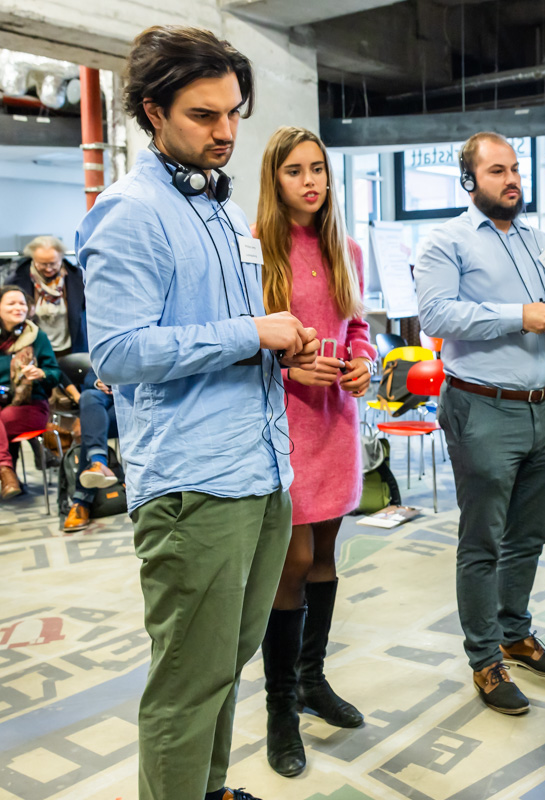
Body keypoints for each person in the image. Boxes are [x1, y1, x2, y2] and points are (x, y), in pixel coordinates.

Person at [76, 26, 319, 800]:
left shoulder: (216, 210)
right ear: (153, 112)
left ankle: (208, 792)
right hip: (194, 483)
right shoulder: (129, 212)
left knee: (225, 664)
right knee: (187, 685)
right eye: (202, 116)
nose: (225, 133)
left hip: (260, 467)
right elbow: (115, 354)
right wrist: (251, 331)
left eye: (233, 113)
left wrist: (282, 350)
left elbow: (214, 335)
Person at [414, 131, 545, 716]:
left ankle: (516, 631)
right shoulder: (447, 241)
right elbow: (436, 314)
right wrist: (519, 316)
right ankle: (485, 658)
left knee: (530, 534)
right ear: (470, 180)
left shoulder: (540, 242)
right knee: (483, 539)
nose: (511, 179)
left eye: (515, 169)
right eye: (496, 171)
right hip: (482, 405)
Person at [254, 126, 377, 777]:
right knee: (292, 560)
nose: (310, 182)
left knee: (326, 553)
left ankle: (311, 680)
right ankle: (279, 708)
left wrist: (362, 364)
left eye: (319, 171)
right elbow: (240, 345)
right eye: (296, 171)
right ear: (274, 179)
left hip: (336, 423)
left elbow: (357, 326)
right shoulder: (258, 251)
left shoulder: (345, 248)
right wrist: (287, 371)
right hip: (284, 425)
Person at [0, 285, 63, 499]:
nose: (18, 307)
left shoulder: (37, 337)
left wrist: (41, 374)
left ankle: (5, 471)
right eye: (11, 303)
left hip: (31, 405)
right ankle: (7, 472)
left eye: (22, 303)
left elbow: (56, 374)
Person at [61, 365, 120, 532]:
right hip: (106, 401)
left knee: (91, 425)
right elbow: (89, 377)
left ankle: (81, 501)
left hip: (134, 402)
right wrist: (98, 383)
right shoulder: (107, 345)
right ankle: (98, 464)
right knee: (88, 396)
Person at [11, 236, 87, 359]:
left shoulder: (77, 278)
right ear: (33, 259)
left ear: (61, 258)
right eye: (42, 264)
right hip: (36, 350)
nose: (48, 268)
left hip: (72, 348)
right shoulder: (17, 281)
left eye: (53, 263)